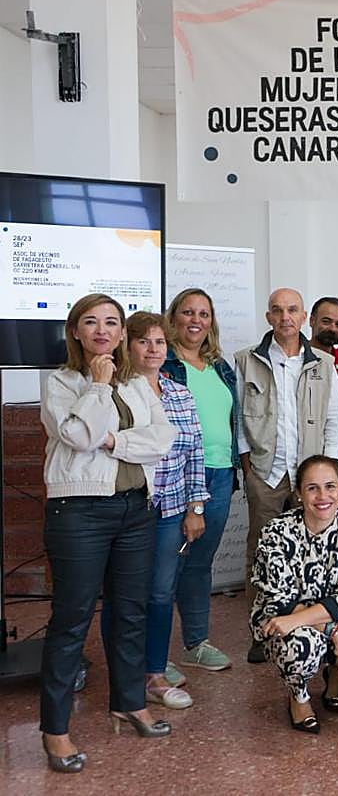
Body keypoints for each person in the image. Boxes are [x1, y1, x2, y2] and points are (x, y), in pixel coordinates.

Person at [40, 294, 177, 773]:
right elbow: (76, 436)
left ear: (122, 333)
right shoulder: (61, 382)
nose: (102, 330)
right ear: (75, 330)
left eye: (112, 323)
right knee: (71, 621)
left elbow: (163, 439)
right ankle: (55, 730)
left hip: (134, 509)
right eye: (91, 322)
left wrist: (114, 440)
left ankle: (129, 701)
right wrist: (97, 388)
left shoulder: (138, 384)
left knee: (131, 612)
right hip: (78, 512)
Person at [250, 455, 338, 734]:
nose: (322, 496)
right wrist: (330, 628)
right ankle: (299, 696)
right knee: (295, 647)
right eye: (312, 488)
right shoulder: (275, 532)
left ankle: (337, 673)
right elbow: (281, 602)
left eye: (330, 486)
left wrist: (335, 627)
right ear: (299, 493)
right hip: (288, 621)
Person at [236, 287, 338, 663]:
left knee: (312, 554)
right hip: (266, 472)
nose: (285, 317)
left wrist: (329, 473)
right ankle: (261, 627)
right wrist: (247, 463)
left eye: (292, 310)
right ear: (268, 317)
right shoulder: (246, 360)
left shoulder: (324, 364)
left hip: (310, 476)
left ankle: (308, 625)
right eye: (277, 311)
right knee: (262, 553)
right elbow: (238, 421)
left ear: (303, 318)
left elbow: (332, 420)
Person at [119, 312, 209, 711]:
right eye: (144, 342)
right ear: (128, 346)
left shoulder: (178, 392)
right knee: (124, 593)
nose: (153, 349)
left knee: (159, 592)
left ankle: (154, 672)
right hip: (128, 508)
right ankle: (125, 675)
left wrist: (195, 506)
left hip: (172, 509)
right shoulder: (117, 390)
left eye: (159, 342)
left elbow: (195, 452)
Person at [162, 287, 239, 674]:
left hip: (220, 472)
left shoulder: (220, 366)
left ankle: (195, 643)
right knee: (166, 565)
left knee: (200, 562)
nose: (196, 320)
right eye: (188, 313)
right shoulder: (165, 363)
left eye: (204, 314)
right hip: (176, 474)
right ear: (174, 317)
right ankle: (154, 657)